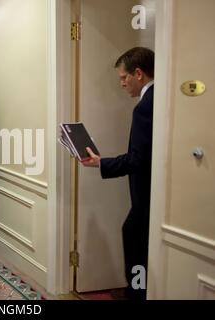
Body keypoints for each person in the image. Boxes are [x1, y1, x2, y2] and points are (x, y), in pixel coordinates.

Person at [81, 47, 154, 300]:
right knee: (135, 237)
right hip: (153, 195)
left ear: (138, 73)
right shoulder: (159, 97)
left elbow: (138, 159)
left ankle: (137, 293)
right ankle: (137, 290)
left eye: (123, 78)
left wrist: (102, 163)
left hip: (147, 195)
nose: (122, 84)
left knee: (134, 238)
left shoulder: (145, 106)